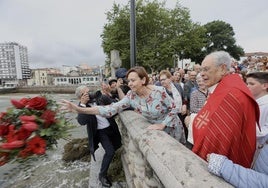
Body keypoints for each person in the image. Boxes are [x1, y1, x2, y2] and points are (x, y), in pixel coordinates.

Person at [62, 66, 185, 144]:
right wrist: (78, 109)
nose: (130, 84)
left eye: (133, 80)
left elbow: (175, 108)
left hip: (172, 127)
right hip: (155, 130)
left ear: (143, 80)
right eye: (128, 81)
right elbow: (110, 109)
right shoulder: (131, 96)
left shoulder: (159, 91)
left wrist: (163, 124)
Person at [187, 51, 259, 168]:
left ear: (223, 69)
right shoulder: (222, 88)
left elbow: (220, 137)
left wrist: (191, 121)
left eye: (206, 69)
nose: (201, 74)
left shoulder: (231, 94)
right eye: (201, 70)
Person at [207, 72, 268, 188]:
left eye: (251, 84)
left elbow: (262, 132)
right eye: (246, 83)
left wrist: (238, 125)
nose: (247, 86)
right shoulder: (252, 101)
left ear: (265, 86)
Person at [75, 85, 122, 187]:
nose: (90, 94)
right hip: (100, 133)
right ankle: (102, 175)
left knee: (118, 144)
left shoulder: (100, 98)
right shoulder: (81, 107)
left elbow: (115, 103)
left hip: (111, 127)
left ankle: (109, 160)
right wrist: (82, 104)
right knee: (110, 151)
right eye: (86, 93)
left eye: (89, 91)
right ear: (80, 97)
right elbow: (81, 121)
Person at [159, 70, 188, 140]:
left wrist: (184, 105)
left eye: (164, 79)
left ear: (170, 79)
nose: (162, 81)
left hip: (181, 114)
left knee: (183, 134)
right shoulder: (161, 91)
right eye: (160, 80)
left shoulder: (177, 86)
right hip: (171, 118)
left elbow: (184, 97)